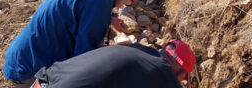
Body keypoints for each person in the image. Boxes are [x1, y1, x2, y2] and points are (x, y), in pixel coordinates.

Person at [3, 0, 146, 87]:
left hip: (24, 56)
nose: (133, 0)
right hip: (32, 70)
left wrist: (108, 18)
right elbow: (82, 63)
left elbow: (79, 6)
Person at [31, 40, 196, 88]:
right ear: (179, 71)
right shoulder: (164, 74)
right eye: (182, 79)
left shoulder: (139, 49)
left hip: (42, 81)